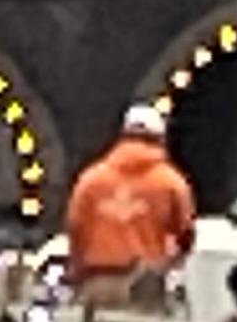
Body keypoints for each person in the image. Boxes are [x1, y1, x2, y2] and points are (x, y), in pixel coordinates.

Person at [64, 105, 197, 284]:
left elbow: (75, 226)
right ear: (160, 139)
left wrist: (77, 271)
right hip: (145, 285)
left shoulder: (91, 180)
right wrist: (170, 265)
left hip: (96, 281)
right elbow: (186, 233)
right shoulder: (171, 182)